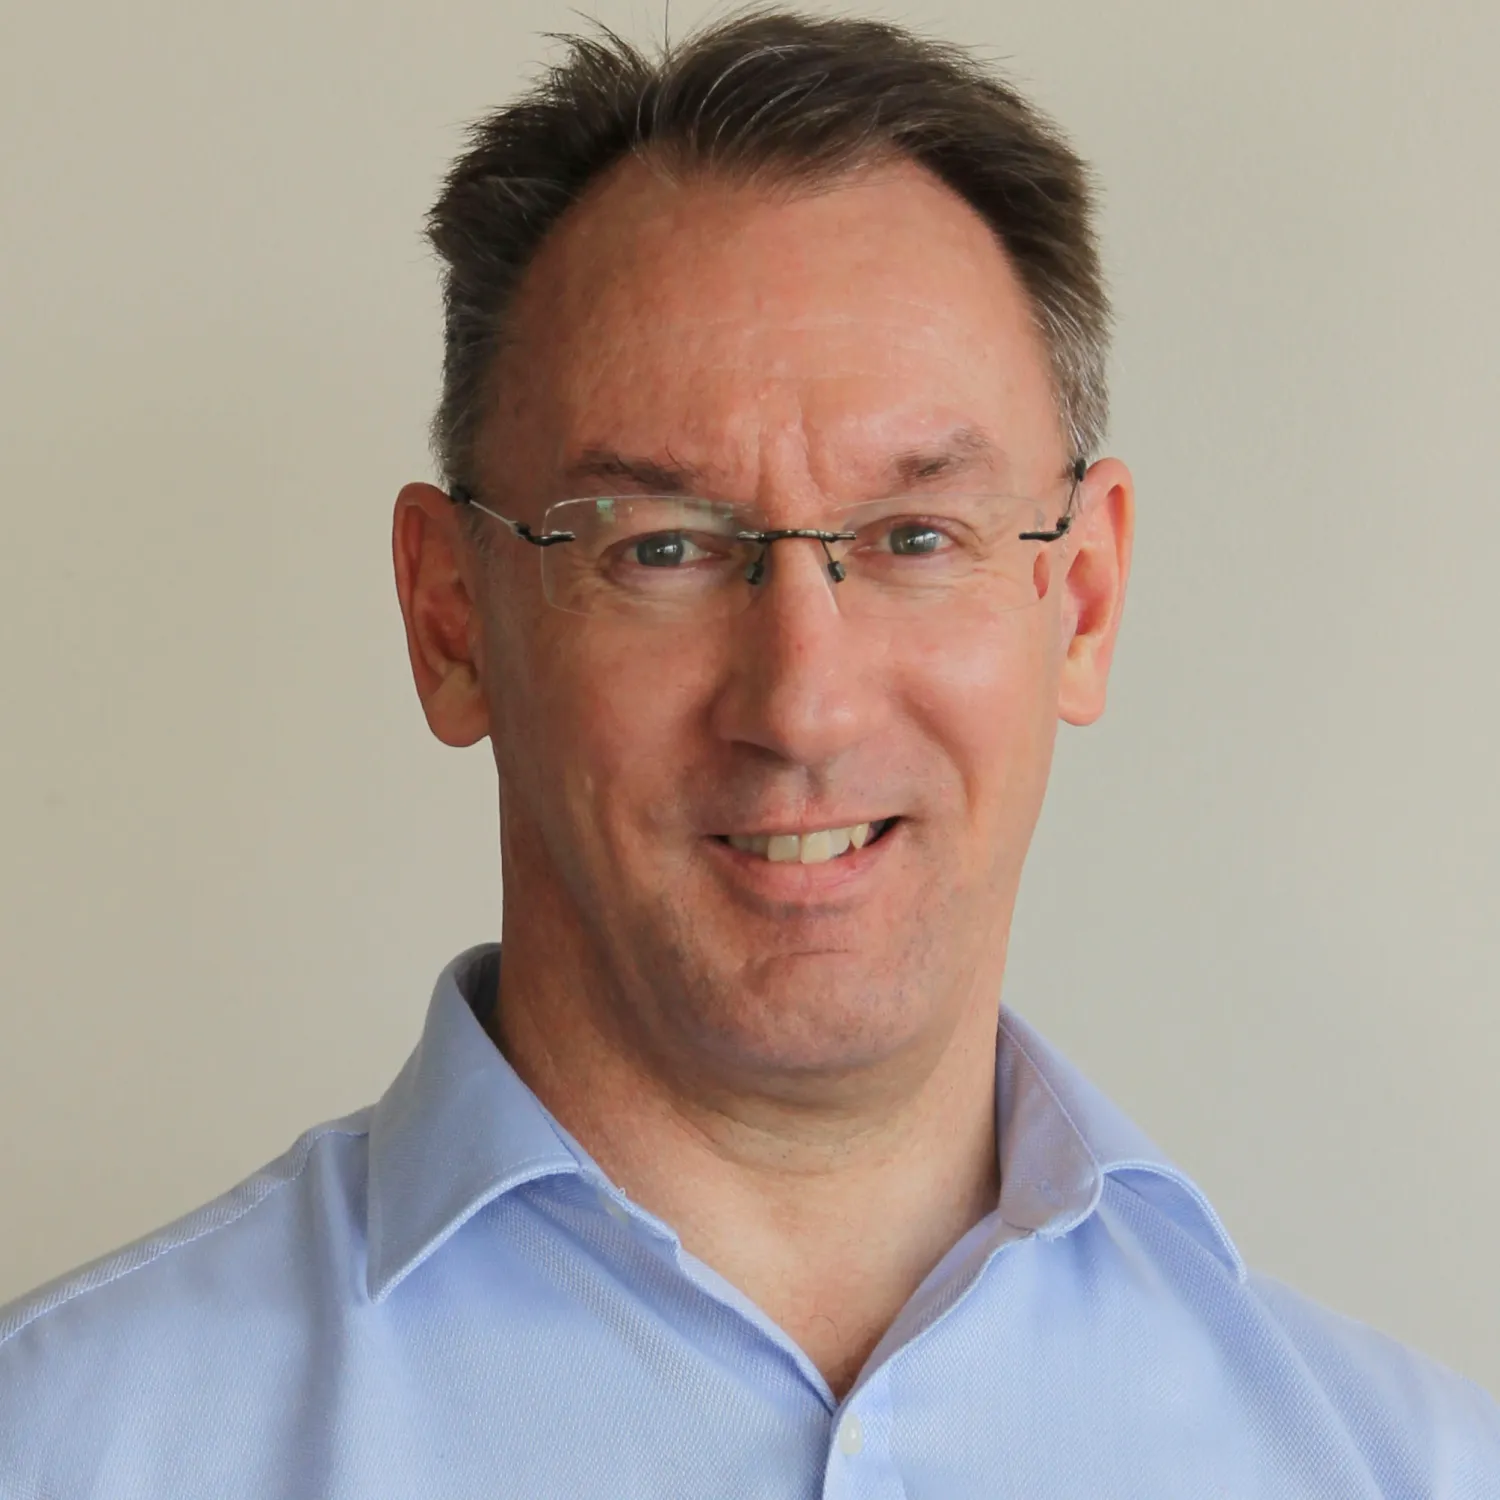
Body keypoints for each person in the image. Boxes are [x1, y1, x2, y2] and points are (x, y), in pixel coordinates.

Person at [2, 9, 1496, 1496]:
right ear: (451, 619)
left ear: (1084, 597)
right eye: (661, 547)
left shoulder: (1411, 1469)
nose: (803, 705)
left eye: (917, 537)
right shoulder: (66, 1445)